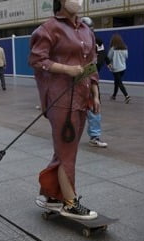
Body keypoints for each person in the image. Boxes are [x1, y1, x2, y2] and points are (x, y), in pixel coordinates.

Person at [29, 0, 99, 220]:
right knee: (67, 152)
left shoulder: (87, 29)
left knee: (64, 150)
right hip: (60, 99)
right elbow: (37, 59)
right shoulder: (49, 28)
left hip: (82, 96)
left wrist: (95, 92)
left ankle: (51, 194)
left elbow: (92, 62)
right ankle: (70, 203)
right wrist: (66, 69)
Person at [81, 16, 108, 148]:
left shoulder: (97, 42)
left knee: (95, 107)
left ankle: (95, 136)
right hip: (75, 81)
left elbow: (100, 59)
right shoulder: (74, 43)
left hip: (90, 78)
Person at [108, 33, 131, 103]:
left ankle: (127, 96)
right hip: (123, 68)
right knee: (117, 82)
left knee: (119, 83)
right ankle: (114, 96)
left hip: (116, 69)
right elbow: (126, 57)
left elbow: (109, 57)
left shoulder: (113, 49)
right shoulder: (125, 48)